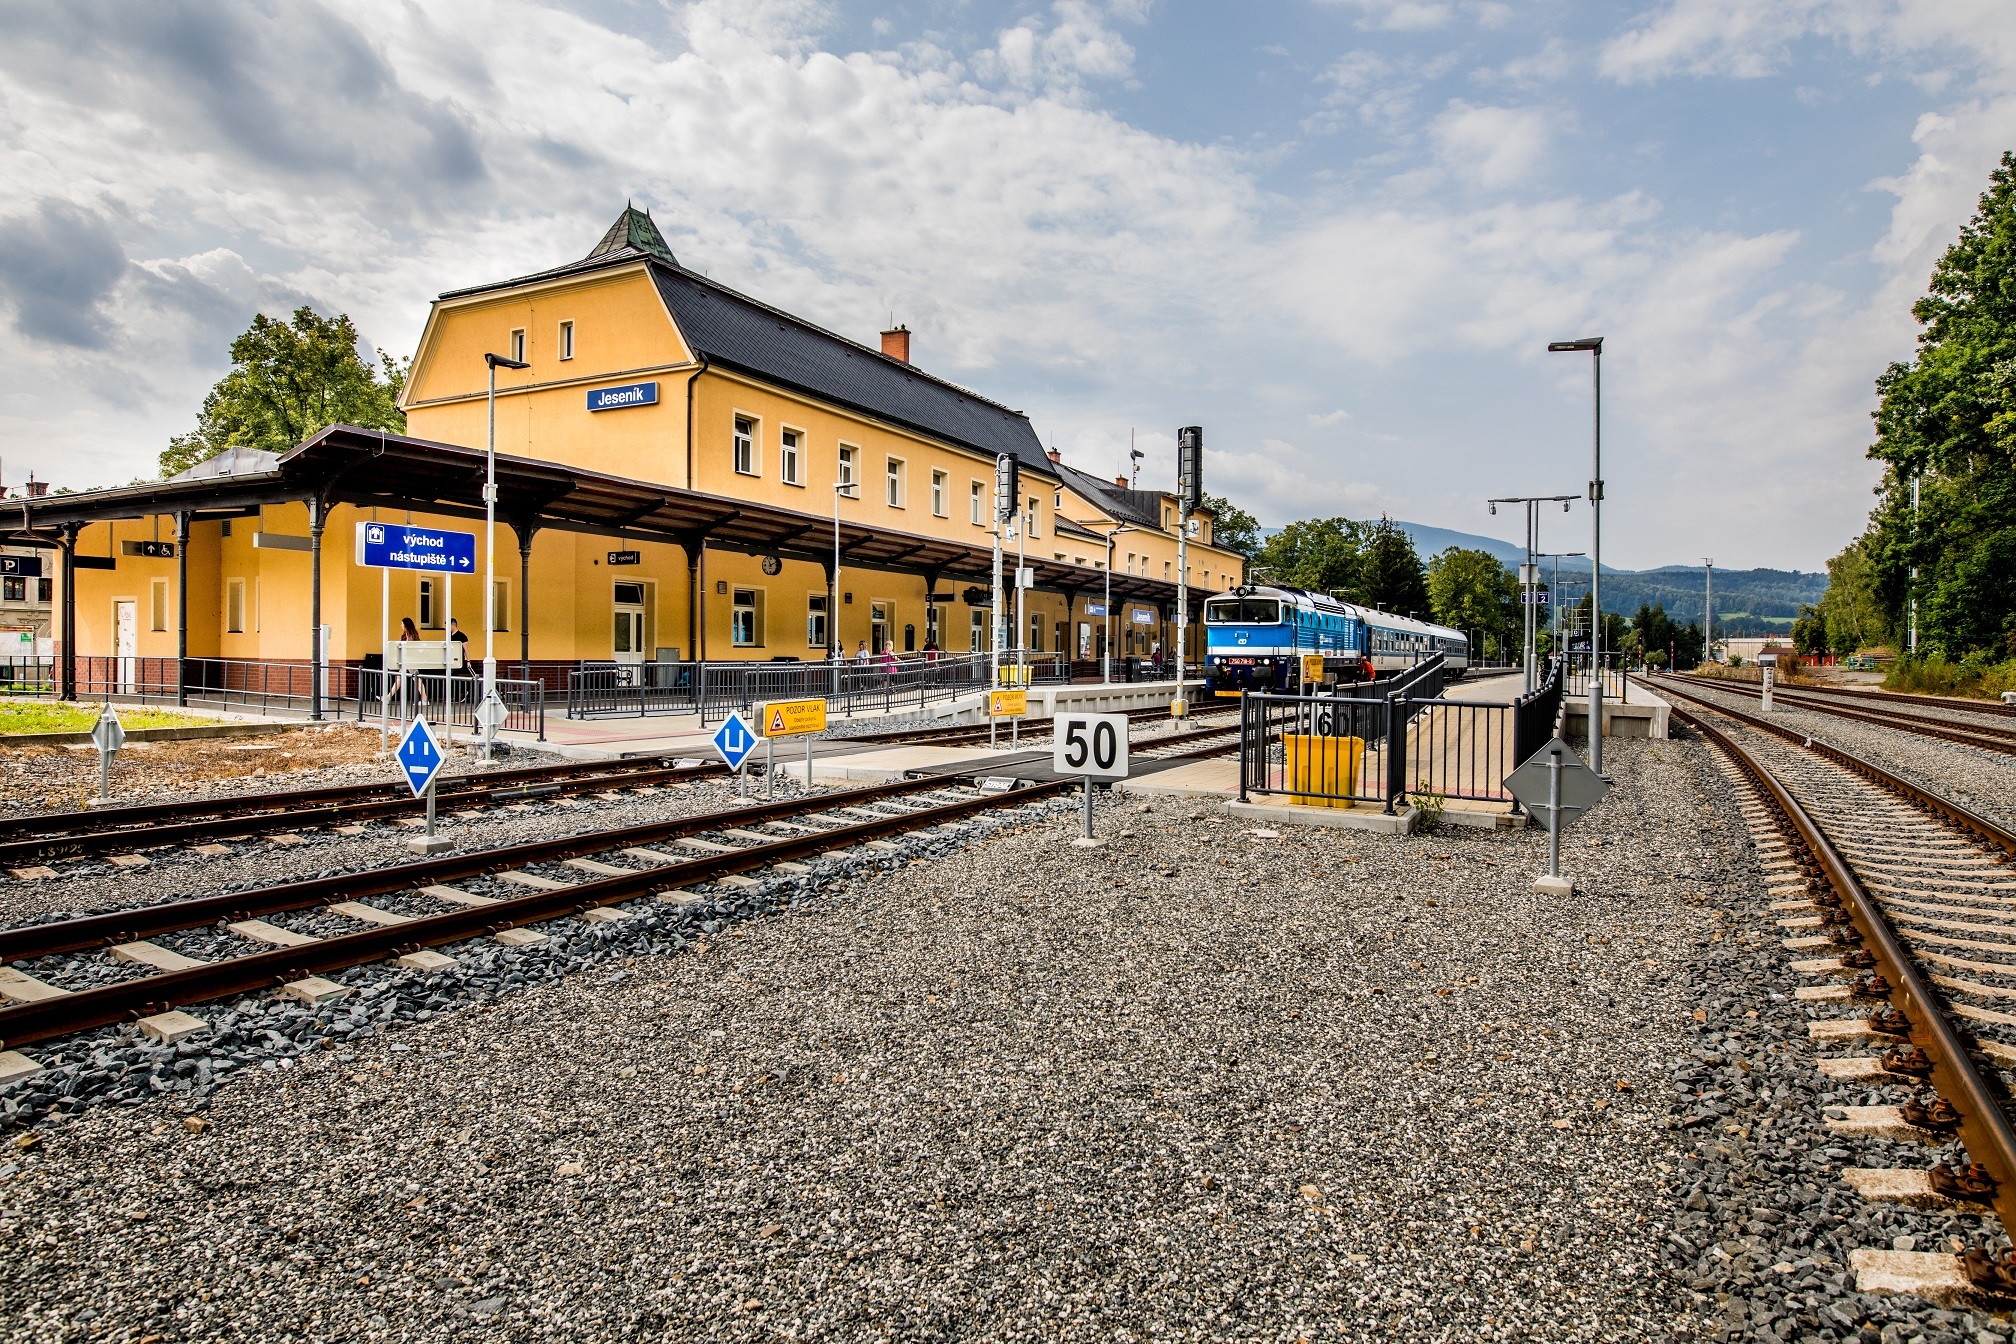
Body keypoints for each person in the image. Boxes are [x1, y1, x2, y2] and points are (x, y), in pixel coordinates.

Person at [397, 617, 428, 707]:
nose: (401, 625)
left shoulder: (410, 636)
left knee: (416, 678)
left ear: (406, 625)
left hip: (410, 659)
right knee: (400, 678)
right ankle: (388, 697)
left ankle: (424, 698)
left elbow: (410, 647)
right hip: (406, 659)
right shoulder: (406, 635)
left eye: (402, 624)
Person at [449, 618, 470, 700]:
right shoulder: (449, 635)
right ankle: (455, 695)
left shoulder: (462, 636)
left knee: (453, 675)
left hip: (458, 660)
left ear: (453, 625)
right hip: (450, 660)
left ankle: (462, 692)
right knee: (452, 676)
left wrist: (468, 661)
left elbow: (466, 649)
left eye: (448, 625)